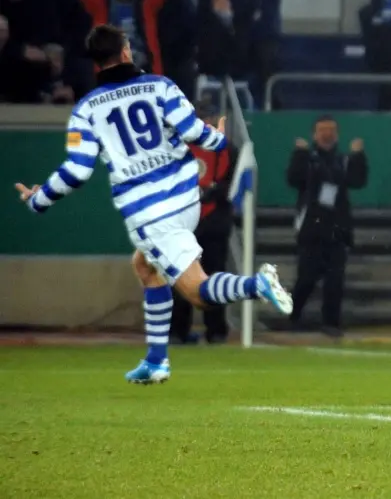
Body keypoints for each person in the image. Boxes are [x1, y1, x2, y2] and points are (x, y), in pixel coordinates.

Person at [13, 25, 292, 384]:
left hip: (151, 212)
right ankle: (157, 361)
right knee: (146, 266)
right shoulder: (160, 85)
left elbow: (77, 170)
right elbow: (193, 131)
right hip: (186, 195)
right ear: (126, 52)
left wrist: (39, 198)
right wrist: (219, 141)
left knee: (198, 293)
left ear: (97, 63)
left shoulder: (86, 110)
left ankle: (257, 285)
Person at [286, 116, 368, 337]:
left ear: (337, 134)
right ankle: (292, 318)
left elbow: (358, 181)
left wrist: (359, 155)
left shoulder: (343, 160)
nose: (327, 134)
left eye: (331, 130)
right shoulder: (307, 158)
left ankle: (331, 323)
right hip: (311, 230)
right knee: (306, 278)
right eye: (322, 130)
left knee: (335, 280)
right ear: (315, 134)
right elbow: (294, 179)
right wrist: (300, 154)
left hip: (337, 230)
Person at [170, 102, 236, 345]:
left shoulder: (228, 149)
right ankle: (177, 331)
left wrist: (214, 192)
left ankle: (216, 331)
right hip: (182, 223)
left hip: (214, 222)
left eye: (207, 118)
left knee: (214, 276)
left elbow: (234, 183)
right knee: (180, 279)